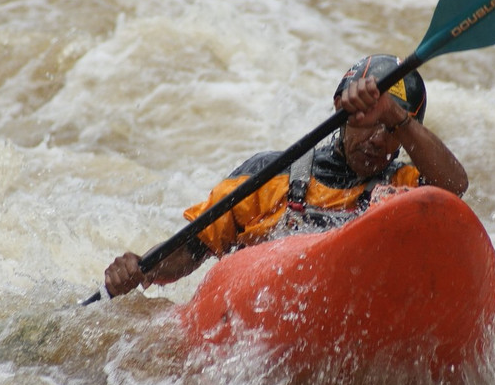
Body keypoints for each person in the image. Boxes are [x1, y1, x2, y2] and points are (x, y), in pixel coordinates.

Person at [103, 54, 468, 297]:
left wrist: (396, 115)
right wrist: (142, 269)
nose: (376, 139)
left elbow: (455, 188)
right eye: (368, 122)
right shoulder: (269, 175)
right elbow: (191, 249)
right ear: (340, 111)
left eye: (389, 129)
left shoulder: (406, 189)